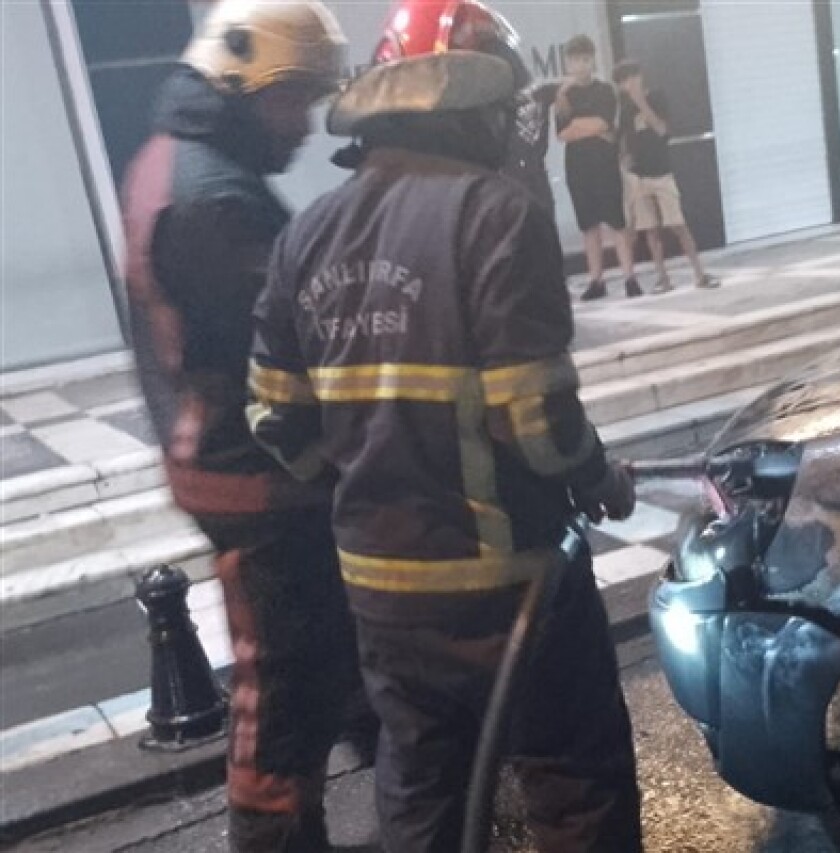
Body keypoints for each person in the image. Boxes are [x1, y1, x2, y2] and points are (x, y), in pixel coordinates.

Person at [246, 2, 645, 850]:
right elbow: (535, 420)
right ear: (474, 104)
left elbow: (275, 419)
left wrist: (369, 479)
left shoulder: (305, 234)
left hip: (382, 591)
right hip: (512, 585)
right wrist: (600, 478)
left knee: (423, 787)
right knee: (576, 780)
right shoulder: (497, 214)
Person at [120, 3, 364, 850]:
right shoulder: (216, 199)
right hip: (256, 478)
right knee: (285, 681)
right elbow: (297, 340)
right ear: (241, 80)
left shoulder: (174, 159)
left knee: (330, 650)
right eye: (293, 99)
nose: (304, 124)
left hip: (227, 461)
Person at [613, 59, 719, 294]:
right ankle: (663, 278)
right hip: (639, 176)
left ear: (641, 76)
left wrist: (641, 102)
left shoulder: (657, 97)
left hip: (662, 172)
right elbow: (623, 138)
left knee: (678, 224)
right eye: (623, 81)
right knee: (650, 230)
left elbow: (662, 130)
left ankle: (700, 273)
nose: (629, 84)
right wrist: (624, 158)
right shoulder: (625, 110)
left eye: (632, 77)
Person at [556, 35, 642, 301]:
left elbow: (605, 123)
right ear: (567, 63)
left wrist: (581, 125)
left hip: (605, 165)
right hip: (577, 167)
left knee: (617, 222)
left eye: (584, 59)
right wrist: (589, 127)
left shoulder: (605, 90)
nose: (580, 65)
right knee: (588, 225)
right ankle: (596, 280)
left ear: (592, 60)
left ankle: (630, 278)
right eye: (574, 60)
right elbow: (563, 133)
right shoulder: (564, 95)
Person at [505, 80, 561, 214]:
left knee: (544, 208)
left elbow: (569, 84)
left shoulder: (541, 92)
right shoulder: (500, 99)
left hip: (536, 165)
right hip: (512, 167)